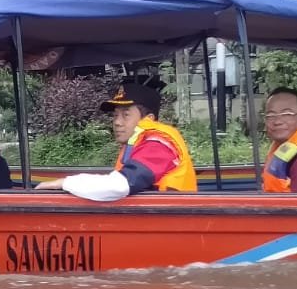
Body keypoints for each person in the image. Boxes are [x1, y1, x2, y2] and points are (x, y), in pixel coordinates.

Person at [34, 82, 197, 200]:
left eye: (126, 115)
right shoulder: (139, 143)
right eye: (115, 115)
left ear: (149, 119)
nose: (117, 122)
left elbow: (120, 185)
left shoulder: (158, 144)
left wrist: (65, 183)